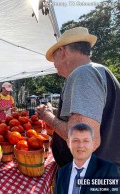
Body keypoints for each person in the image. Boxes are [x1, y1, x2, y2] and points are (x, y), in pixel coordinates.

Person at [36, 27, 120, 167]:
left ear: (62, 52)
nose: (54, 64)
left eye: (54, 58)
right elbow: (94, 116)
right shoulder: (97, 71)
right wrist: (55, 111)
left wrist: (47, 116)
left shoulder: (83, 74)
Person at [54, 123, 119, 194]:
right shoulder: (62, 173)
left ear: (93, 143)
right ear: (68, 143)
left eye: (86, 141)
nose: (81, 145)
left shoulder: (109, 170)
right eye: (76, 140)